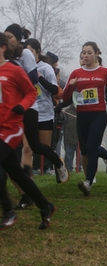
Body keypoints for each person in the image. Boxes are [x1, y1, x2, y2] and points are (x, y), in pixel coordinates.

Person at [4, 23, 69, 210]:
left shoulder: (24, 54)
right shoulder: (5, 56)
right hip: (12, 108)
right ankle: (26, 193)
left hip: (30, 106)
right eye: (5, 36)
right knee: (21, 150)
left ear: (18, 38)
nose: (7, 39)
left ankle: (57, 161)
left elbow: (32, 79)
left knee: (35, 146)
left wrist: (13, 74)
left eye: (10, 36)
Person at [0, 32, 56, 230]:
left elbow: (31, 92)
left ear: (2, 48)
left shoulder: (13, 70)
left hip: (11, 128)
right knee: (17, 174)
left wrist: (21, 107)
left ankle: (8, 212)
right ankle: (45, 205)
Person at [62, 41, 107, 196]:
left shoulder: (105, 72)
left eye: (89, 52)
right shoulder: (76, 73)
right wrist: (71, 86)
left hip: (98, 114)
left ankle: (88, 182)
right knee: (85, 149)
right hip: (82, 115)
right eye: (83, 52)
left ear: (97, 54)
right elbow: (65, 97)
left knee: (92, 147)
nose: (85, 55)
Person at [25, 38, 62, 175]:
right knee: (28, 146)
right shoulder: (23, 67)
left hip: (45, 112)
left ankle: (54, 166)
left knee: (44, 146)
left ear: (38, 52)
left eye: (31, 52)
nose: (28, 55)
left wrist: (39, 77)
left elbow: (54, 90)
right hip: (29, 110)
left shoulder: (46, 68)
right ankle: (32, 170)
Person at [63, 104, 82, 172]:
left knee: (79, 155)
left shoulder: (81, 111)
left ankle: (79, 168)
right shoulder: (67, 111)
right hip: (68, 137)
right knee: (69, 155)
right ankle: (68, 169)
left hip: (78, 138)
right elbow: (63, 125)